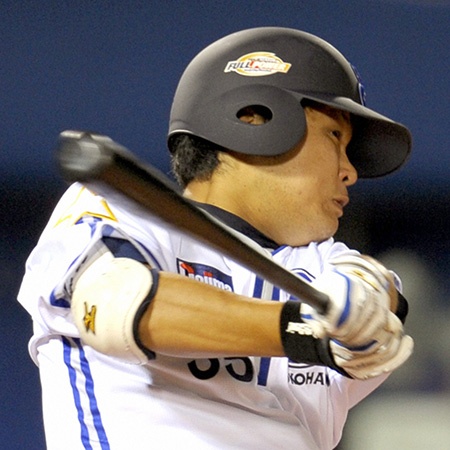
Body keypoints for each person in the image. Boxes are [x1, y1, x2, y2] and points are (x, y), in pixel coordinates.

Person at [18, 27, 414, 450]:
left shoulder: (322, 263)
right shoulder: (118, 209)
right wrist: (302, 329)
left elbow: (377, 291)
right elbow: (112, 305)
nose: (349, 172)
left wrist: (369, 305)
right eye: (334, 137)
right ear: (254, 118)